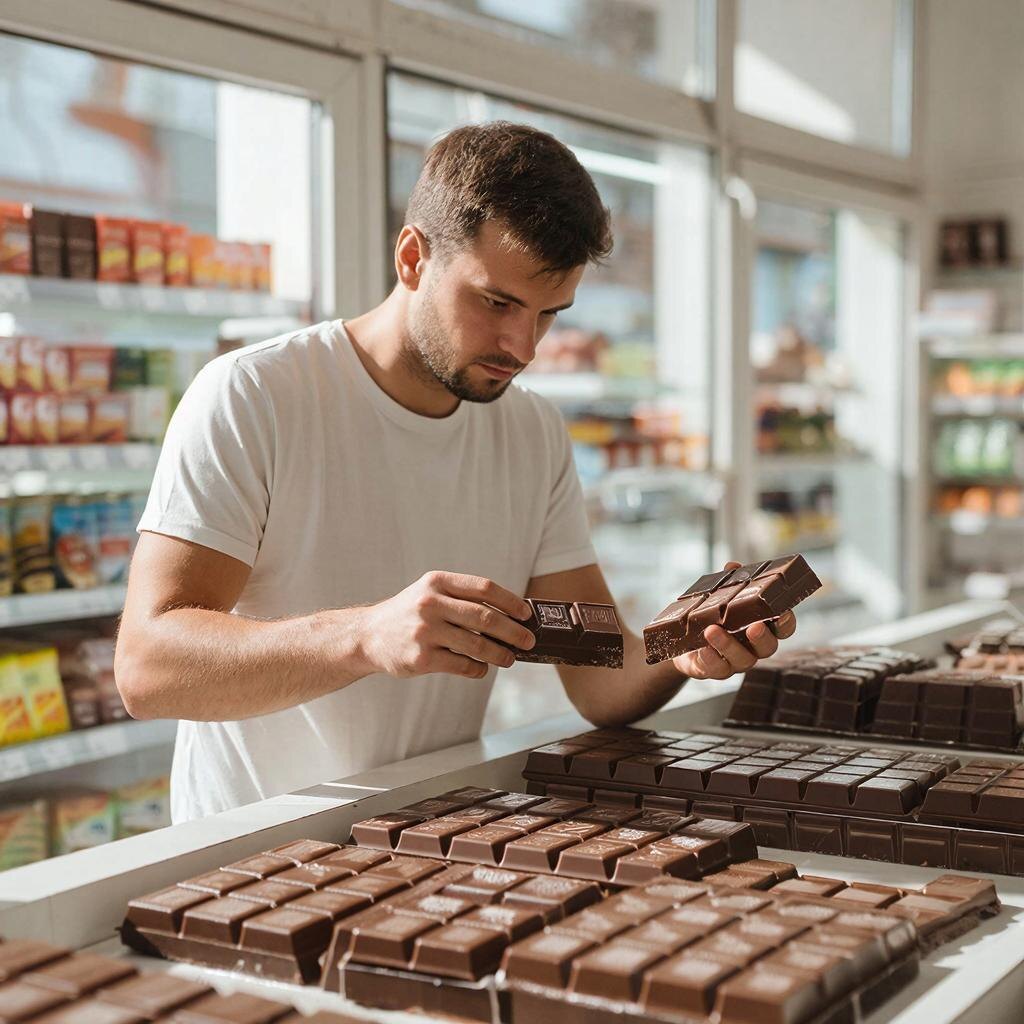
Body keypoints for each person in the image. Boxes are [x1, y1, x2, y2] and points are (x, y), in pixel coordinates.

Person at [114, 122, 797, 823]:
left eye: (548, 315)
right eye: (496, 303)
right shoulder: (254, 394)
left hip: (438, 839)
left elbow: (600, 676)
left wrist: (682, 649)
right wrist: (364, 636)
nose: (522, 346)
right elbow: (147, 669)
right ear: (413, 257)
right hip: (246, 859)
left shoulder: (531, 431)